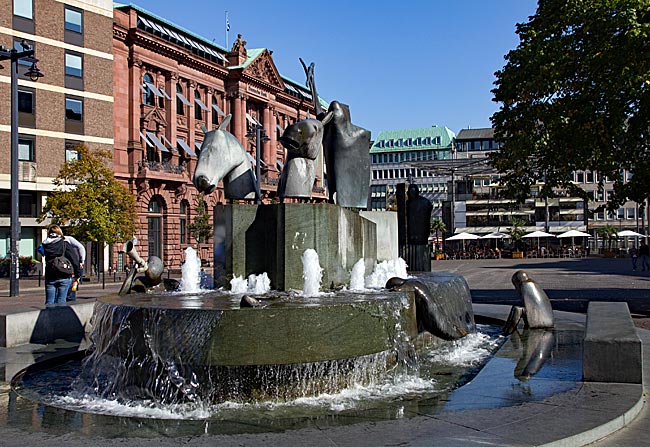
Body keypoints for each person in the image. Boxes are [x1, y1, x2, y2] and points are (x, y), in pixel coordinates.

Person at [41, 225, 80, 305]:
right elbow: (74, 260)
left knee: (49, 301)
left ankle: (48, 316)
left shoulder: (45, 245)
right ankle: (59, 316)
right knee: (61, 300)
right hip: (64, 275)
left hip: (50, 276)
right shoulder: (64, 244)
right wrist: (77, 274)